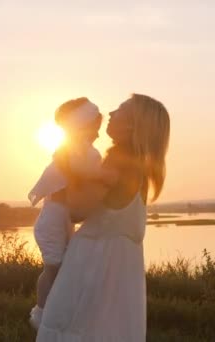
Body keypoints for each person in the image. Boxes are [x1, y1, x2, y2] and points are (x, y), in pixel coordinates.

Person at [36, 94, 171, 341]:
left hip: (93, 267)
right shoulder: (139, 166)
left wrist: (67, 166)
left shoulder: (117, 162)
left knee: (73, 330)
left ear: (132, 125)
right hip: (119, 274)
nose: (110, 113)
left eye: (120, 110)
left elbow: (77, 209)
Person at [28, 97, 106, 329]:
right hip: (52, 220)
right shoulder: (70, 153)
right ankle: (41, 316)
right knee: (54, 268)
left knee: (62, 269)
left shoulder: (80, 152)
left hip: (64, 220)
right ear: (81, 126)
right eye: (95, 128)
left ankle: (59, 312)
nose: (99, 135)